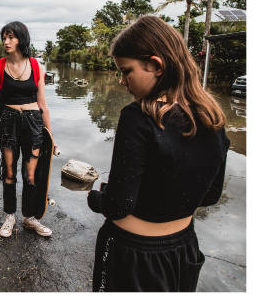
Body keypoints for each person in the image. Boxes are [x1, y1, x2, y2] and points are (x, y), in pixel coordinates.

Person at [87, 16, 230, 291]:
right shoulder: (213, 117)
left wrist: (95, 198)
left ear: (155, 65)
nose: (121, 81)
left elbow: (119, 205)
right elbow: (210, 195)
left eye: (127, 71)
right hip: (183, 250)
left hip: (135, 256)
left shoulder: (138, 118)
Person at [0, 21, 57, 238]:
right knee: (9, 173)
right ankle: (9, 216)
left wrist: (50, 135)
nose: (6, 42)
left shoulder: (37, 67)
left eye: (11, 37)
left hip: (33, 123)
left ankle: (30, 217)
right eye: (4, 37)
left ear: (21, 39)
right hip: (8, 122)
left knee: (31, 175)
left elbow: (43, 104)